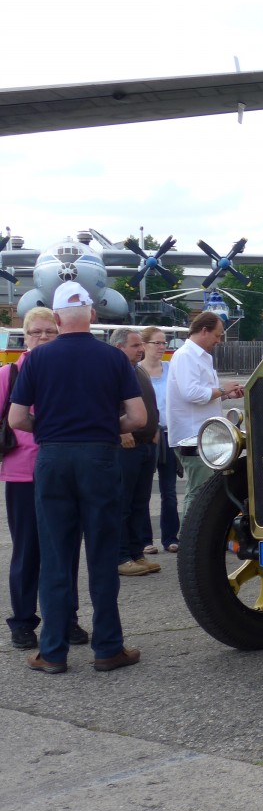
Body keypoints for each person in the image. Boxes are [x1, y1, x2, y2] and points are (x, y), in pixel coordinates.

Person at [9, 282, 146, 674]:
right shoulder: (113, 359)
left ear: (55, 318)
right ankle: (108, 647)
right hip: (100, 457)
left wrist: (51, 430)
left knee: (55, 555)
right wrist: (104, 426)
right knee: (102, 553)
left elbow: (17, 419)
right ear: (92, 316)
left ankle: (52, 652)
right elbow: (137, 418)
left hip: (52, 458)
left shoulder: (36, 360)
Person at [2, 309, 88, 651]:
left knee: (66, 550)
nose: (42, 338)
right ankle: (22, 622)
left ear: (60, 334)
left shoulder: (71, 372)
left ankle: (66, 618)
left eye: (49, 332)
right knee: (28, 551)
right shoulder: (8, 374)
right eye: (35, 332)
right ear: (24, 337)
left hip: (66, 471)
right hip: (23, 473)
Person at [166, 312, 243, 518]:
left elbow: (200, 396)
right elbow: (191, 394)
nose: (218, 341)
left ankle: (192, 541)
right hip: (191, 436)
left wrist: (224, 395)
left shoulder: (197, 356)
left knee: (204, 491)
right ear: (204, 331)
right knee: (199, 492)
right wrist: (223, 389)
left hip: (201, 435)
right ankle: (188, 542)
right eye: (217, 336)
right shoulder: (185, 356)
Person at [110, 329, 161, 577]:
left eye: (141, 344)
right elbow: (104, 405)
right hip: (126, 448)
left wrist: (155, 429)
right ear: (119, 347)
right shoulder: (111, 371)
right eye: (135, 345)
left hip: (146, 446)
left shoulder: (138, 370)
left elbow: (149, 404)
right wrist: (119, 431)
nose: (141, 349)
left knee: (140, 503)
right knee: (123, 503)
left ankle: (137, 553)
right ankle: (120, 557)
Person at [139, 326, 180, 553]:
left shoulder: (171, 369)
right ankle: (145, 540)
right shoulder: (137, 372)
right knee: (143, 491)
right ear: (144, 345)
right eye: (157, 343)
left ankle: (170, 537)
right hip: (146, 435)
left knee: (170, 490)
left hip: (169, 433)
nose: (162, 347)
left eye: (165, 343)